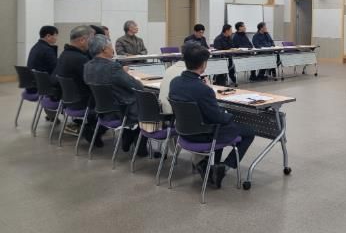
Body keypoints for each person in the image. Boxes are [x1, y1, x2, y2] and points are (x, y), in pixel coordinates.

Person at [169, 44, 255, 188]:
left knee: (220, 127)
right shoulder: (203, 89)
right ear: (203, 65)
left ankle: (209, 166)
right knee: (249, 131)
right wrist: (230, 115)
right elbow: (217, 118)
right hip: (203, 135)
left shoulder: (174, 83)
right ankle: (224, 167)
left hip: (183, 133)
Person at [83, 35, 148, 155]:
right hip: (123, 111)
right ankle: (139, 145)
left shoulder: (87, 67)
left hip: (102, 110)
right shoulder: (113, 67)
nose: (112, 49)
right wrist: (124, 74)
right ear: (104, 49)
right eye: (110, 46)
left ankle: (129, 135)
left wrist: (121, 73)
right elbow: (137, 86)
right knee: (150, 104)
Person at [51, 25, 103, 146]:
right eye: (92, 39)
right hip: (84, 102)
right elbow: (97, 82)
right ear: (82, 40)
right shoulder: (80, 59)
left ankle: (93, 128)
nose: (94, 43)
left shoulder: (65, 54)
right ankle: (94, 130)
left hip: (69, 101)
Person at [26, 26, 59, 115]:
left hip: (32, 83)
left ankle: (51, 115)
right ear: (48, 36)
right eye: (55, 35)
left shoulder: (35, 47)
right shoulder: (47, 50)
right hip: (41, 86)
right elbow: (56, 67)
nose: (56, 38)